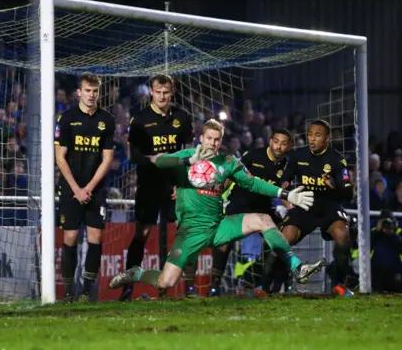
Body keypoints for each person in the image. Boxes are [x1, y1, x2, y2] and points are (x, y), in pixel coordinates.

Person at [109, 119, 325, 293]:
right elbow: (159, 161)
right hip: (191, 231)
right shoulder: (187, 156)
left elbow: (252, 182)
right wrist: (189, 161)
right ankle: (136, 273)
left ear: (221, 141)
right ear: (201, 139)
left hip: (218, 225)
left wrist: (284, 193)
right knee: (166, 282)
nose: (212, 143)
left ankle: (298, 267)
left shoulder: (228, 162)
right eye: (209, 138)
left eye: (217, 139)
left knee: (264, 219)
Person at [120, 74, 193, 301]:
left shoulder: (182, 117)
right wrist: (153, 159)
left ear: (172, 93)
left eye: (166, 92)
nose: (162, 96)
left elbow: (189, 153)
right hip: (149, 185)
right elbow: (132, 155)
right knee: (142, 233)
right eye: (158, 92)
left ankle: (181, 288)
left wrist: (181, 182)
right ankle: (128, 286)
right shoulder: (140, 119)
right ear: (151, 91)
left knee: (183, 234)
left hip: (176, 186)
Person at [265, 120, 355, 296]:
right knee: (281, 241)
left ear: (327, 138)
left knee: (343, 236)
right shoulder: (299, 156)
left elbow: (348, 195)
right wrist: (284, 191)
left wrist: (335, 186)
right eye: (310, 135)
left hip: (329, 207)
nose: (312, 139)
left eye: (318, 135)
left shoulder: (337, 160)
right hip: (305, 205)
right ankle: (264, 288)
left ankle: (340, 286)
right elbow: (284, 180)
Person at [55, 73, 116, 302]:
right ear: (78, 92)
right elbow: (60, 158)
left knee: (95, 237)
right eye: (87, 91)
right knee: (70, 237)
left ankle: (87, 290)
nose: (91, 95)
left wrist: (88, 188)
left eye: (95, 91)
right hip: (71, 188)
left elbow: (107, 159)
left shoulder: (107, 120)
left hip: (95, 189)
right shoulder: (67, 119)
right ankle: (69, 291)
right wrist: (76, 189)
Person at [210, 129, 293, 296]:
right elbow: (231, 175)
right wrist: (217, 194)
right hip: (240, 203)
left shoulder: (287, 166)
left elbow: (284, 191)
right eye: (276, 142)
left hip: (264, 207)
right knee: (223, 244)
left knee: (281, 241)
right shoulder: (253, 155)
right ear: (270, 141)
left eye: (283, 143)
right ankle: (214, 288)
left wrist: (292, 209)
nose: (279, 146)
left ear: (289, 146)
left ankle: (268, 287)